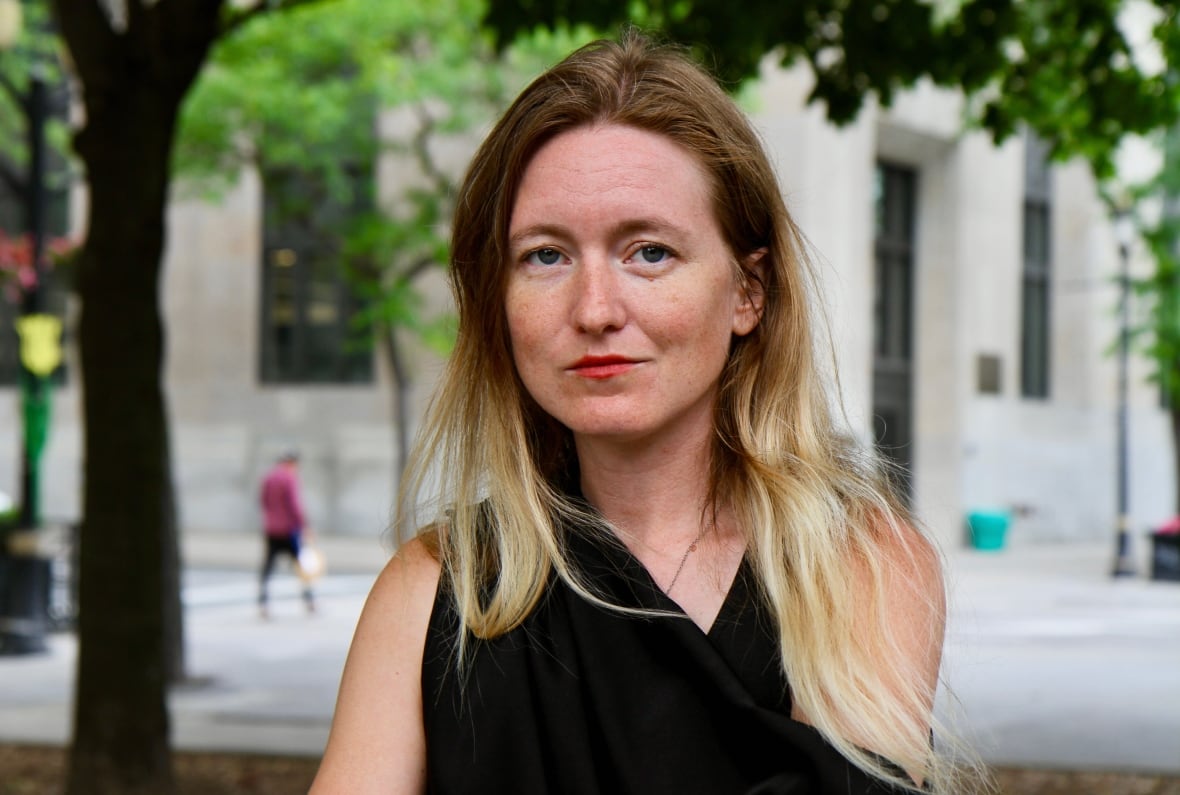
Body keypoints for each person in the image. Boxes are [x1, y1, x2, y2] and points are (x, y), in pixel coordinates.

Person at [313, 32, 983, 795]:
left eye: (649, 253)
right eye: (546, 256)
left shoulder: (857, 565)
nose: (595, 309)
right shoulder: (437, 590)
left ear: (747, 291)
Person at [258, 450, 316, 618]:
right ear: (292, 463)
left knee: (268, 567)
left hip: (271, 529)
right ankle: (309, 600)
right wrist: (305, 526)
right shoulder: (289, 478)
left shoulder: (269, 477)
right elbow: (294, 505)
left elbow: (262, 500)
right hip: (289, 530)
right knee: (301, 566)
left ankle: (263, 603)